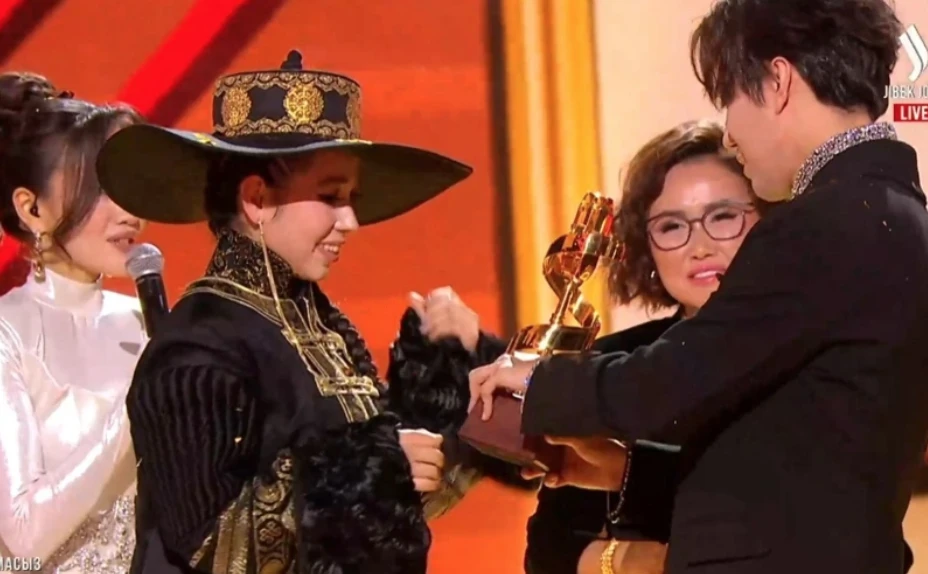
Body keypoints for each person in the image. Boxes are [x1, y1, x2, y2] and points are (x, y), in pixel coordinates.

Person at [471, 0, 928, 572]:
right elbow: (800, 456)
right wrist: (624, 472)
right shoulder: (898, 214)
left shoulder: (825, 223)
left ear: (777, 81)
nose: (731, 135)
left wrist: (541, 382)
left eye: (730, 99)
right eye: (671, 227)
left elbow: (673, 378)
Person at [95, 51, 478, 574]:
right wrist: (378, 470)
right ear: (256, 199)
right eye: (331, 196)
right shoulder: (198, 343)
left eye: (351, 198)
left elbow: (380, 515)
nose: (350, 221)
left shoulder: (319, 324)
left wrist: (467, 408)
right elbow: (212, 545)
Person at [395, 120, 766, 573]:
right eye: (671, 226)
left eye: (723, 217)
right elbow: (550, 552)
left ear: (772, 223)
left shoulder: (811, 352)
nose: (699, 246)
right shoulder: (605, 368)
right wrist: (635, 561)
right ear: (647, 250)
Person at [0, 72, 146, 570]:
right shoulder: (9, 333)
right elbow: (24, 535)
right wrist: (135, 404)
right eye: (101, 189)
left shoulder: (148, 325)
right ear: (32, 208)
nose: (129, 212)